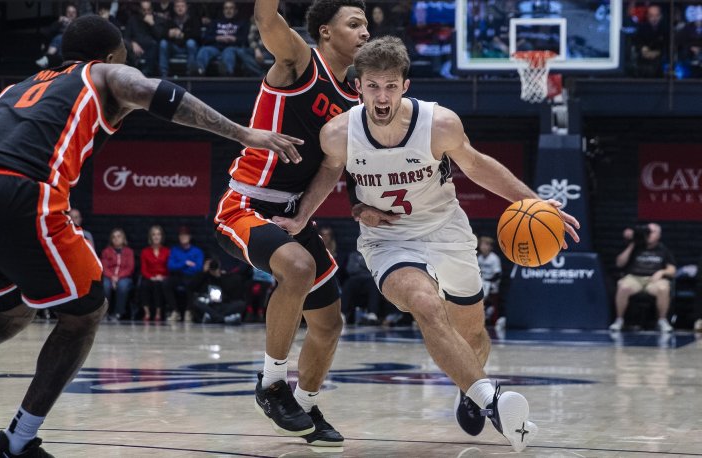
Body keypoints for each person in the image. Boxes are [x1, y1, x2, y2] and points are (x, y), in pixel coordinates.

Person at [0, 14, 302, 458]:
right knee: (86, 311)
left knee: (7, 311)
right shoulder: (106, 72)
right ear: (113, 53)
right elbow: (161, 94)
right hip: (20, 189)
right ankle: (16, 442)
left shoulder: (20, 89)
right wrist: (244, 133)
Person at [306, 36, 581, 452]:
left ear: (405, 86)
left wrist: (535, 201)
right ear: (358, 86)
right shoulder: (338, 133)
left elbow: (478, 166)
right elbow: (330, 172)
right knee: (426, 303)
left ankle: (468, 386)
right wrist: (323, 212)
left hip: (446, 231)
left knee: (473, 335)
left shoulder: (439, 124)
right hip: (388, 241)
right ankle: (492, 400)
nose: (382, 96)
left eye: (391, 86)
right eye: (373, 86)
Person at [213, 0, 368, 446]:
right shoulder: (300, 61)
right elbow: (265, 18)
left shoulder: (355, 100)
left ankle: (307, 402)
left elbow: (332, 168)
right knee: (298, 269)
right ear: (324, 32)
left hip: (289, 213)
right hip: (244, 205)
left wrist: (304, 215)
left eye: (367, 26)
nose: (364, 34)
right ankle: (272, 384)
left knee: (329, 324)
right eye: (354, 24)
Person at [609, 223, 676, 333]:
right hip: (634, 278)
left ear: (659, 235)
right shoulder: (636, 246)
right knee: (623, 286)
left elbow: (672, 270)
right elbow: (619, 263)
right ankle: (619, 320)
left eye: (652, 232)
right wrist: (633, 243)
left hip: (653, 280)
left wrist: (661, 272)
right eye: (647, 231)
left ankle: (662, 320)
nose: (649, 234)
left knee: (663, 288)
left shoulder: (663, 249)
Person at [167, 225, 204, 322]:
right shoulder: (175, 250)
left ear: (190, 237)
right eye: (181, 235)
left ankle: (189, 311)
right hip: (179, 276)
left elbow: (198, 268)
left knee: (191, 283)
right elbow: (170, 266)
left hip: (191, 277)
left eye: (186, 235)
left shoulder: (197, 251)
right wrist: (185, 263)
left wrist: (180, 266)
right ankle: (175, 311)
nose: (183, 237)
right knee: (166, 283)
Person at [139, 225, 173, 321]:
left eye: (158, 234)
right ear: (150, 237)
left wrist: (162, 277)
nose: (156, 237)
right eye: (154, 234)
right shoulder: (145, 252)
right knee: (145, 285)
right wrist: (151, 277)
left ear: (162, 237)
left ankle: (158, 313)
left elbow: (169, 267)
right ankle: (147, 312)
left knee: (158, 286)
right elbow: (143, 269)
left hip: (163, 277)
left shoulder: (167, 251)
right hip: (149, 277)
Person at [101, 228, 135, 320]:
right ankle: (104, 313)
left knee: (123, 286)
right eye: (114, 237)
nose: (116, 239)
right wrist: (112, 277)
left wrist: (118, 277)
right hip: (109, 277)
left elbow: (130, 268)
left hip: (124, 277)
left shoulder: (129, 252)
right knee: (105, 285)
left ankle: (118, 313)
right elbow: (104, 267)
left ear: (124, 239)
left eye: (119, 236)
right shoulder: (106, 251)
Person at [477, 235, 502, 325]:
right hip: (482, 283)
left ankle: (493, 321)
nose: (483, 247)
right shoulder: (479, 258)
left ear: (490, 247)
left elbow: (498, 274)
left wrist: (489, 281)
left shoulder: (494, 258)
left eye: (485, 245)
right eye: (482, 245)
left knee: (493, 305)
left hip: (492, 285)